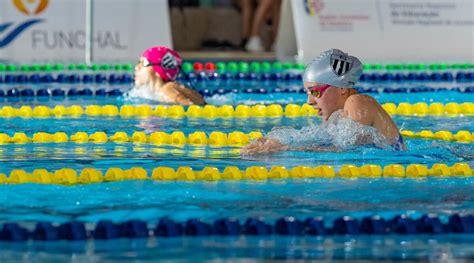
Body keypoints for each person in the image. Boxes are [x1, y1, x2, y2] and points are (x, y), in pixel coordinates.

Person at [241, 48, 405, 155]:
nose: (309, 101)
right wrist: (276, 142)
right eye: (307, 93)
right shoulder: (338, 117)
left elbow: (347, 149)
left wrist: (285, 150)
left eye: (315, 92)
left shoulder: (357, 101)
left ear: (341, 87)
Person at [133, 46, 205, 105]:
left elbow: (191, 109)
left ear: (158, 71)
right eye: (139, 62)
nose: (137, 67)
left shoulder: (166, 90)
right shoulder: (159, 91)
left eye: (144, 63)